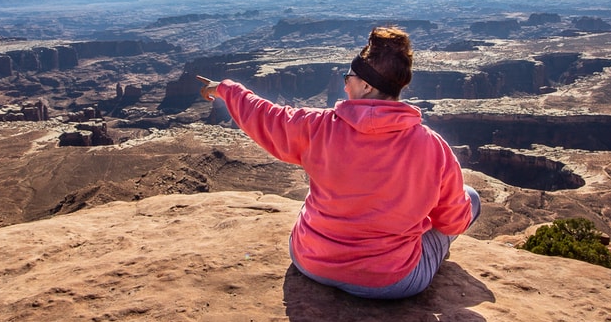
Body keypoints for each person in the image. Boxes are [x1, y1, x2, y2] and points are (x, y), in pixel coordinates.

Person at [198, 26, 481, 299]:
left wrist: (226, 89)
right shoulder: (433, 147)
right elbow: (453, 222)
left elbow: (266, 116)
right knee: (470, 199)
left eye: (349, 77)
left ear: (367, 86)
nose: (345, 84)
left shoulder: (318, 126)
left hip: (312, 263)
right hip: (390, 283)